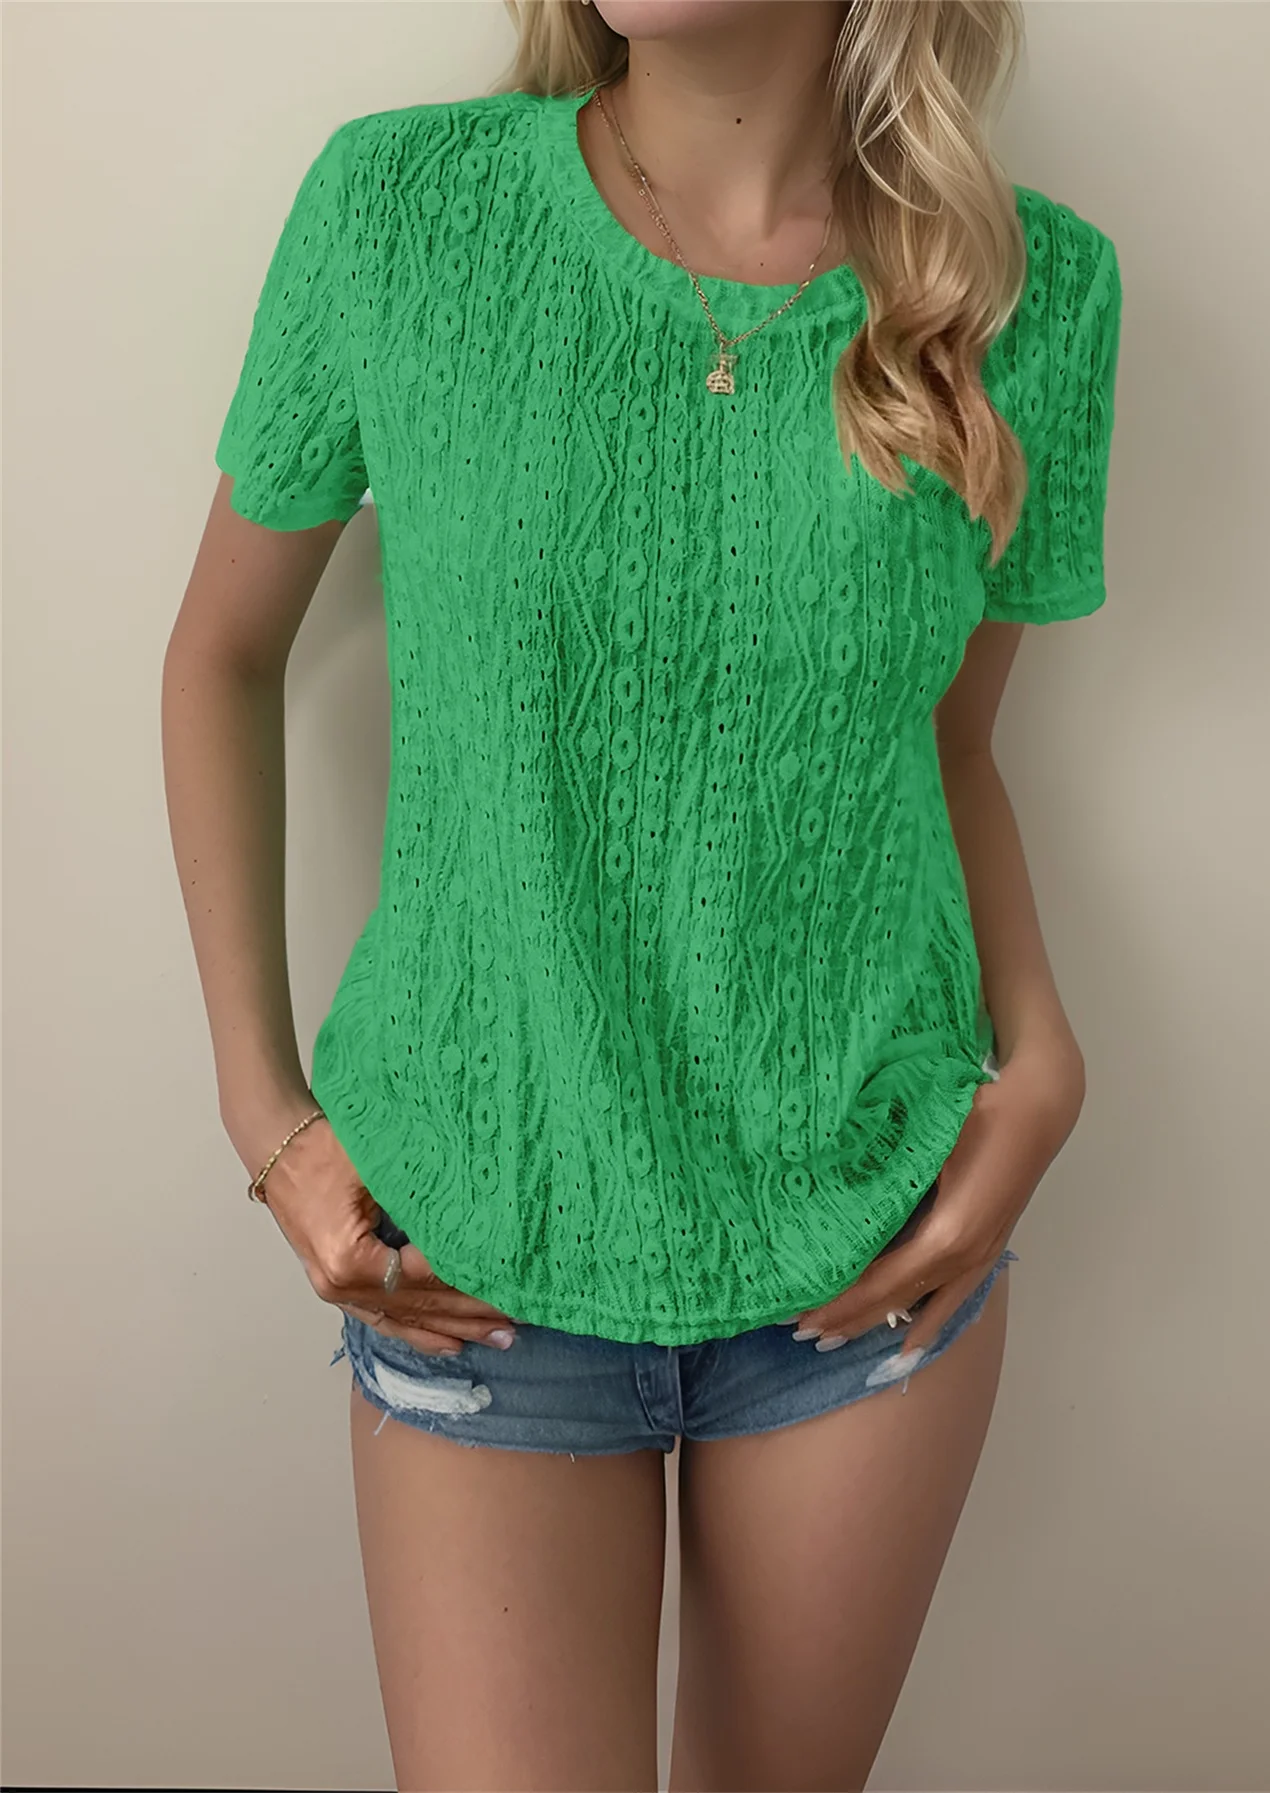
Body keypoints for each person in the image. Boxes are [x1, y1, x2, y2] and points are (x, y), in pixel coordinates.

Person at [162, 0, 1122, 1785]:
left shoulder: (1026, 294)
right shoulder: (402, 214)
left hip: (865, 1232)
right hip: (480, 1246)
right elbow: (220, 654)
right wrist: (263, 1113)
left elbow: (950, 743)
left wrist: (1044, 1052)